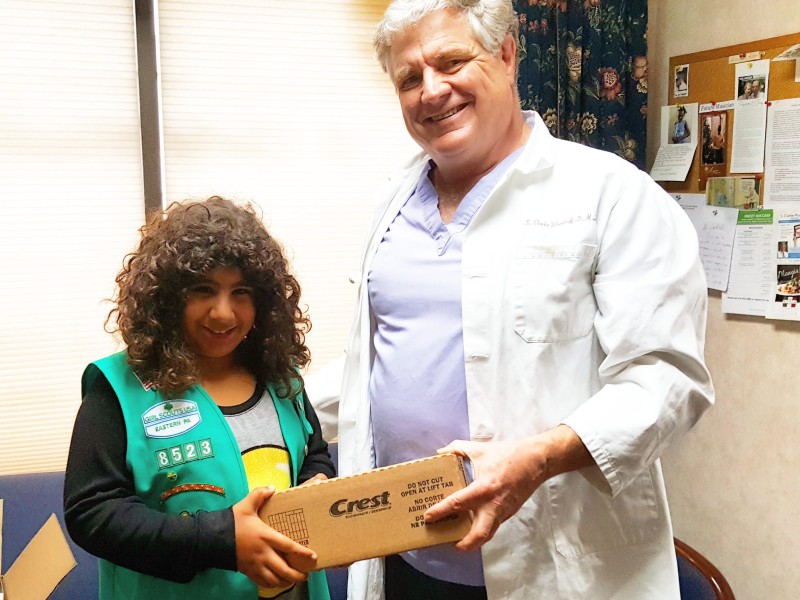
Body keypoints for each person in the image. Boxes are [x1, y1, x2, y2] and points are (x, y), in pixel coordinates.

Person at [308, 1, 714, 599]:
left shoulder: (611, 193)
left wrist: (539, 457)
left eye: (451, 62)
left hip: (554, 567)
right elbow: (375, 364)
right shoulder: (392, 202)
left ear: (505, 55)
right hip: (406, 559)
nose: (431, 91)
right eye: (409, 78)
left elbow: (667, 379)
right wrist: (259, 410)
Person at [64, 197, 335, 600]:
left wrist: (318, 487)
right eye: (203, 289)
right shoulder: (118, 388)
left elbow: (313, 453)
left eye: (241, 292)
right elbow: (92, 512)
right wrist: (220, 539)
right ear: (167, 296)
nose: (223, 313)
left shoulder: (280, 377)